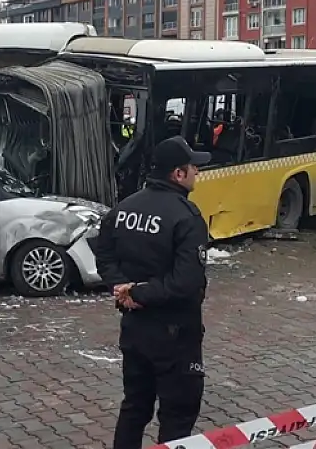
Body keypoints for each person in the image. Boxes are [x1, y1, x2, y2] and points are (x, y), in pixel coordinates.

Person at [92, 135, 209, 449]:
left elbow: (103, 254)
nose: (198, 173)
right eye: (193, 168)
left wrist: (122, 288)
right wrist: (138, 293)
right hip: (175, 334)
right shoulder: (187, 216)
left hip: (134, 328)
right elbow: (186, 282)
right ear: (178, 174)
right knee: (178, 415)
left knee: (134, 407)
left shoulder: (124, 208)